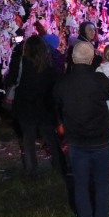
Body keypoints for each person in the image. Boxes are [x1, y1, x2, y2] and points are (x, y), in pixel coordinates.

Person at [54, 41, 109, 217]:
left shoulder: (64, 82)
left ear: (73, 59)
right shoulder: (99, 79)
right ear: (91, 59)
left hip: (77, 141)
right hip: (102, 140)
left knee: (80, 183)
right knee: (102, 183)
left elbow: (56, 102)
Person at [13, 36, 66, 177]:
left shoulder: (22, 63)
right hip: (45, 106)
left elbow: (12, 80)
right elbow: (55, 84)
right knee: (50, 137)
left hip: (26, 106)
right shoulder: (50, 65)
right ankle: (59, 164)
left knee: (28, 139)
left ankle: (31, 169)